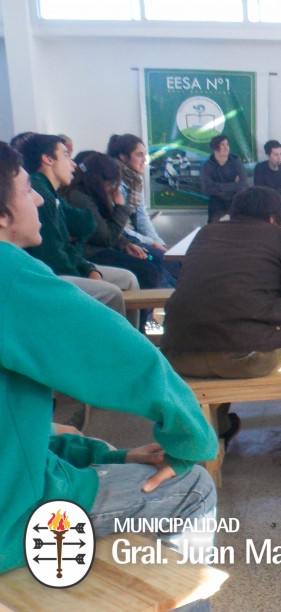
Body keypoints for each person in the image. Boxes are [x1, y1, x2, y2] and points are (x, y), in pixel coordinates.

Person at [0, 140, 218, 576]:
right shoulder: (8, 274)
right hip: (11, 522)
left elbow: (14, 435)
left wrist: (111, 456)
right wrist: (190, 436)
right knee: (193, 486)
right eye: (26, 190)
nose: (38, 198)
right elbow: (122, 354)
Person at [161, 186, 281, 462]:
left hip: (179, 354)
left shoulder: (206, 233)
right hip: (248, 356)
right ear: (273, 218)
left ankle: (221, 427)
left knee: (222, 332)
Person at [20, 134, 139, 324]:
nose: (73, 164)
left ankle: (135, 336)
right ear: (48, 159)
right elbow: (55, 255)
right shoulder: (41, 195)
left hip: (68, 264)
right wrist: (86, 272)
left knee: (128, 279)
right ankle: (115, 342)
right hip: (51, 275)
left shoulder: (53, 195)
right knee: (112, 292)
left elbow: (84, 226)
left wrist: (89, 268)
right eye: (66, 155)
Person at [63, 151, 170, 292]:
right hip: (90, 253)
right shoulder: (80, 199)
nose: (113, 189)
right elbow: (105, 237)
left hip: (102, 246)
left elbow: (105, 229)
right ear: (100, 181)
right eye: (111, 184)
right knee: (146, 270)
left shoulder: (87, 194)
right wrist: (120, 207)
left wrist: (124, 243)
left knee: (153, 260)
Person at [107, 134, 167, 251]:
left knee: (166, 256)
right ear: (123, 157)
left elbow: (141, 217)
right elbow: (116, 227)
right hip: (118, 240)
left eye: (145, 154)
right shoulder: (113, 181)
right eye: (139, 155)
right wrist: (152, 243)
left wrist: (159, 243)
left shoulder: (135, 181)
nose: (145, 160)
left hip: (132, 237)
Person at [199, 134, 249, 223]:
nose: (226, 148)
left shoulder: (236, 162)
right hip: (217, 201)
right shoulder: (207, 166)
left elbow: (243, 185)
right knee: (215, 223)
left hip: (235, 200)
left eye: (227, 144)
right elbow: (206, 189)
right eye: (222, 145)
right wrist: (233, 185)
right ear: (215, 148)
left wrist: (217, 185)